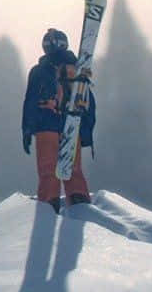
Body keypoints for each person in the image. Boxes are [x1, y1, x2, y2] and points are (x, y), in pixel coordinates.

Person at [21, 28, 96, 212]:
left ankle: (49, 206)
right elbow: (89, 101)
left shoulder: (39, 71)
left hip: (46, 125)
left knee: (48, 171)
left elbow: (30, 101)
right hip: (72, 125)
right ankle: (79, 204)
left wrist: (27, 129)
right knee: (73, 169)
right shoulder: (77, 70)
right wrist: (86, 131)